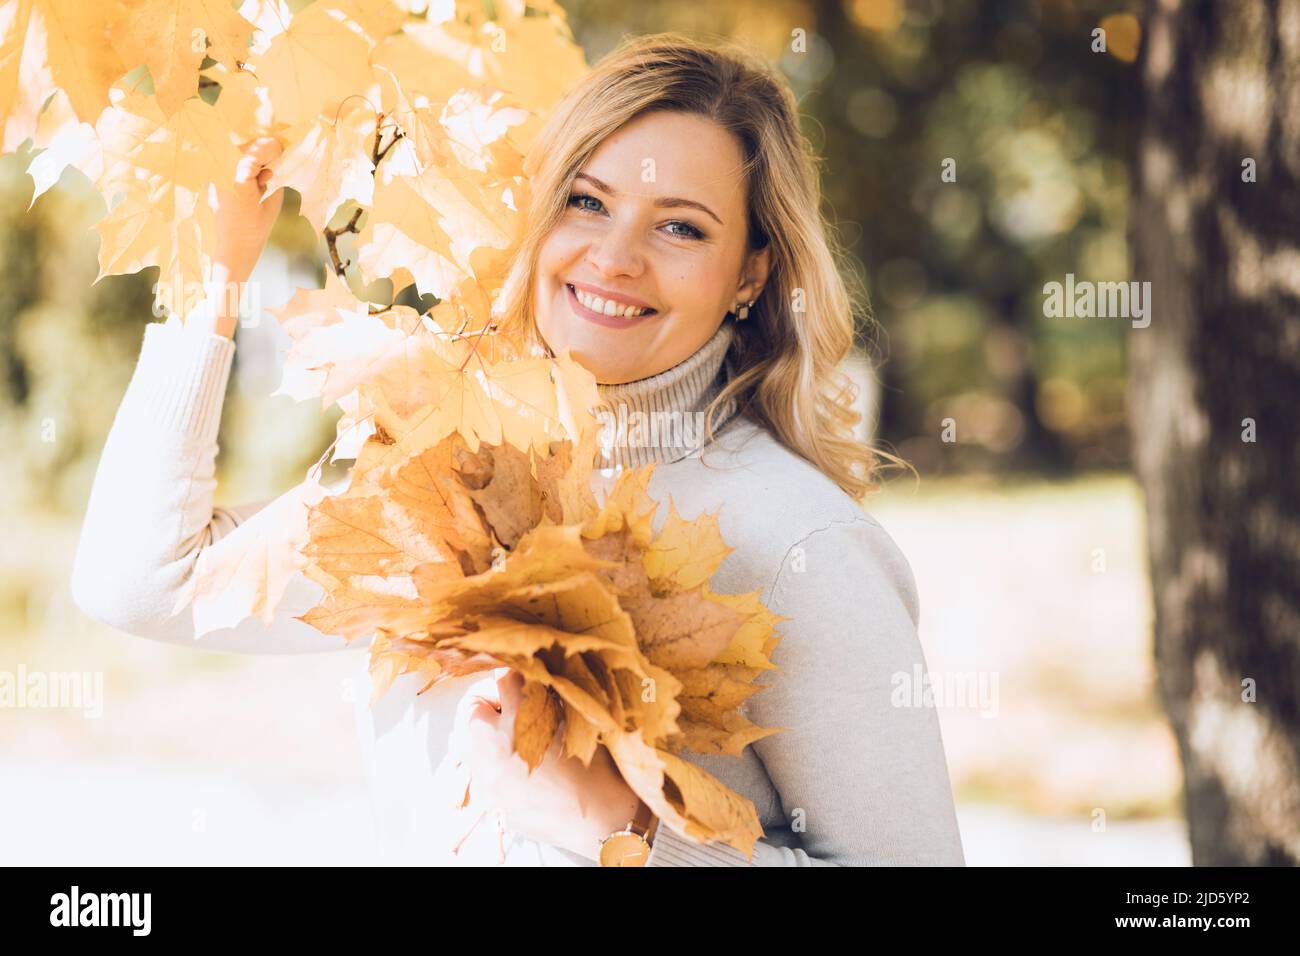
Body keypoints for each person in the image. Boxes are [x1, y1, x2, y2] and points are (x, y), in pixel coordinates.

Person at [71, 32, 965, 867]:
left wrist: (625, 831)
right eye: (586, 200)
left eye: (680, 226)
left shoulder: (799, 545)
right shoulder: (448, 477)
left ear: (751, 274)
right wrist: (213, 274)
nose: (614, 256)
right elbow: (143, 580)